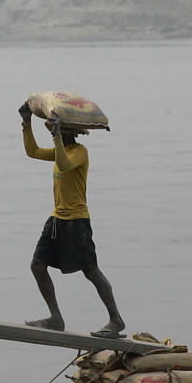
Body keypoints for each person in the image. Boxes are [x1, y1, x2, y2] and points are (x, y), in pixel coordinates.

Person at [19, 102, 124, 338]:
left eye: (57, 130)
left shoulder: (79, 152)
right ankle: (56, 318)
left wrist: (57, 138)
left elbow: (65, 164)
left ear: (68, 131)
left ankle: (116, 320)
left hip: (77, 222)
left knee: (91, 271)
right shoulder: (59, 151)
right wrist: (26, 123)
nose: (53, 132)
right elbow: (32, 152)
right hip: (56, 221)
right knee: (37, 266)